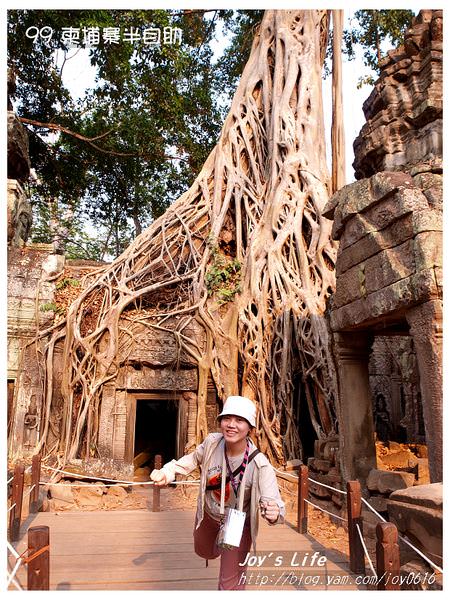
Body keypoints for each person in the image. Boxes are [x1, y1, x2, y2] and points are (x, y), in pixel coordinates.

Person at [150, 395, 285, 590]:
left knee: (229, 580)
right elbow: (191, 460)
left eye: (239, 420)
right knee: (204, 550)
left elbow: (274, 502)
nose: (231, 425)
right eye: (227, 418)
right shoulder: (212, 443)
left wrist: (275, 513)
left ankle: (234, 564)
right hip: (209, 514)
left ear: (250, 428)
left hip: (237, 523)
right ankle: (225, 551)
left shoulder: (259, 464)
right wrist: (168, 472)